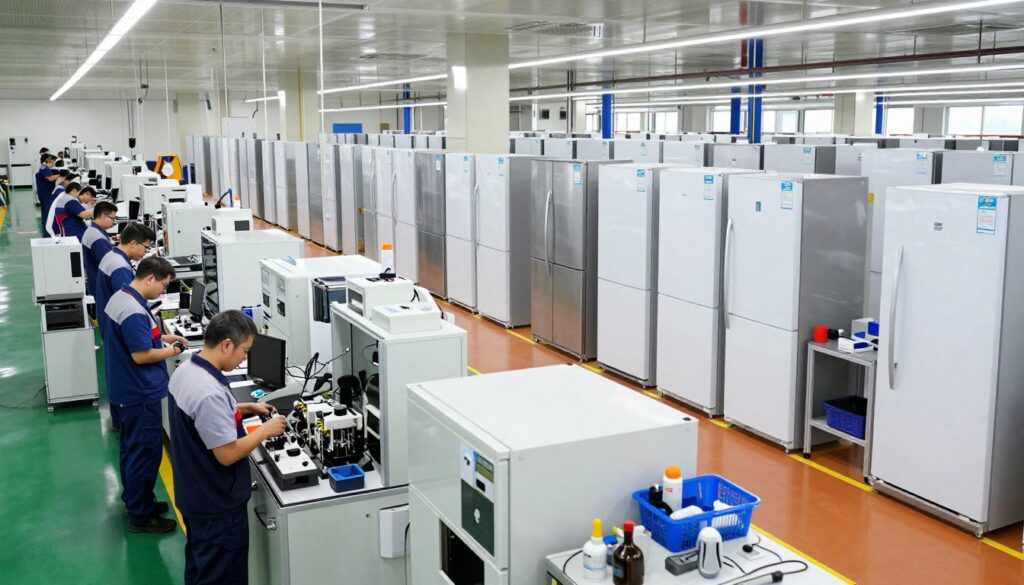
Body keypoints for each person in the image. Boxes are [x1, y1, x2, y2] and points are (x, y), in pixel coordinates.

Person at [169, 311, 285, 584]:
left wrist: (245, 408)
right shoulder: (208, 392)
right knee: (222, 576)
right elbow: (227, 453)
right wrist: (266, 430)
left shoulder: (188, 370)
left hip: (193, 493)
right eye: (244, 351)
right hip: (216, 506)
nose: (244, 359)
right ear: (226, 345)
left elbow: (203, 418)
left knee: (201, 568)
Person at [101, 257, 187, 533]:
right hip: (139, 393)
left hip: (125, 391)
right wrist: (174, 352)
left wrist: (163, 338)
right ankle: (141, 516)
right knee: (144, 455)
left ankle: (137, 500)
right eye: (164, 284)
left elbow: (140, 337)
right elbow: (141, 355)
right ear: (150, 278)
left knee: (130, 450)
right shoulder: (134, 310)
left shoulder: (124, 297)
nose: (163, 290)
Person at [82, 201, 118, 296]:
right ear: (103, 216)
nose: (114, 222)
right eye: (112, 219)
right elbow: (110, 264)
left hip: (95, 281)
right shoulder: (98, 238)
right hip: (101, 287)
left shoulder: (93, 230)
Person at [35, 154, 59, 236]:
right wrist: (61, 175)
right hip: (46, 194)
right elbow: (50, 178)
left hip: (44, 193)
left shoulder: (45, 167)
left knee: (45, 211)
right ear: (49, 160)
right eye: (53, 161)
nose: (54, 163)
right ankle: (48, 230)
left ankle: (46, 227)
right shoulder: (44, 168)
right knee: (47, 212)